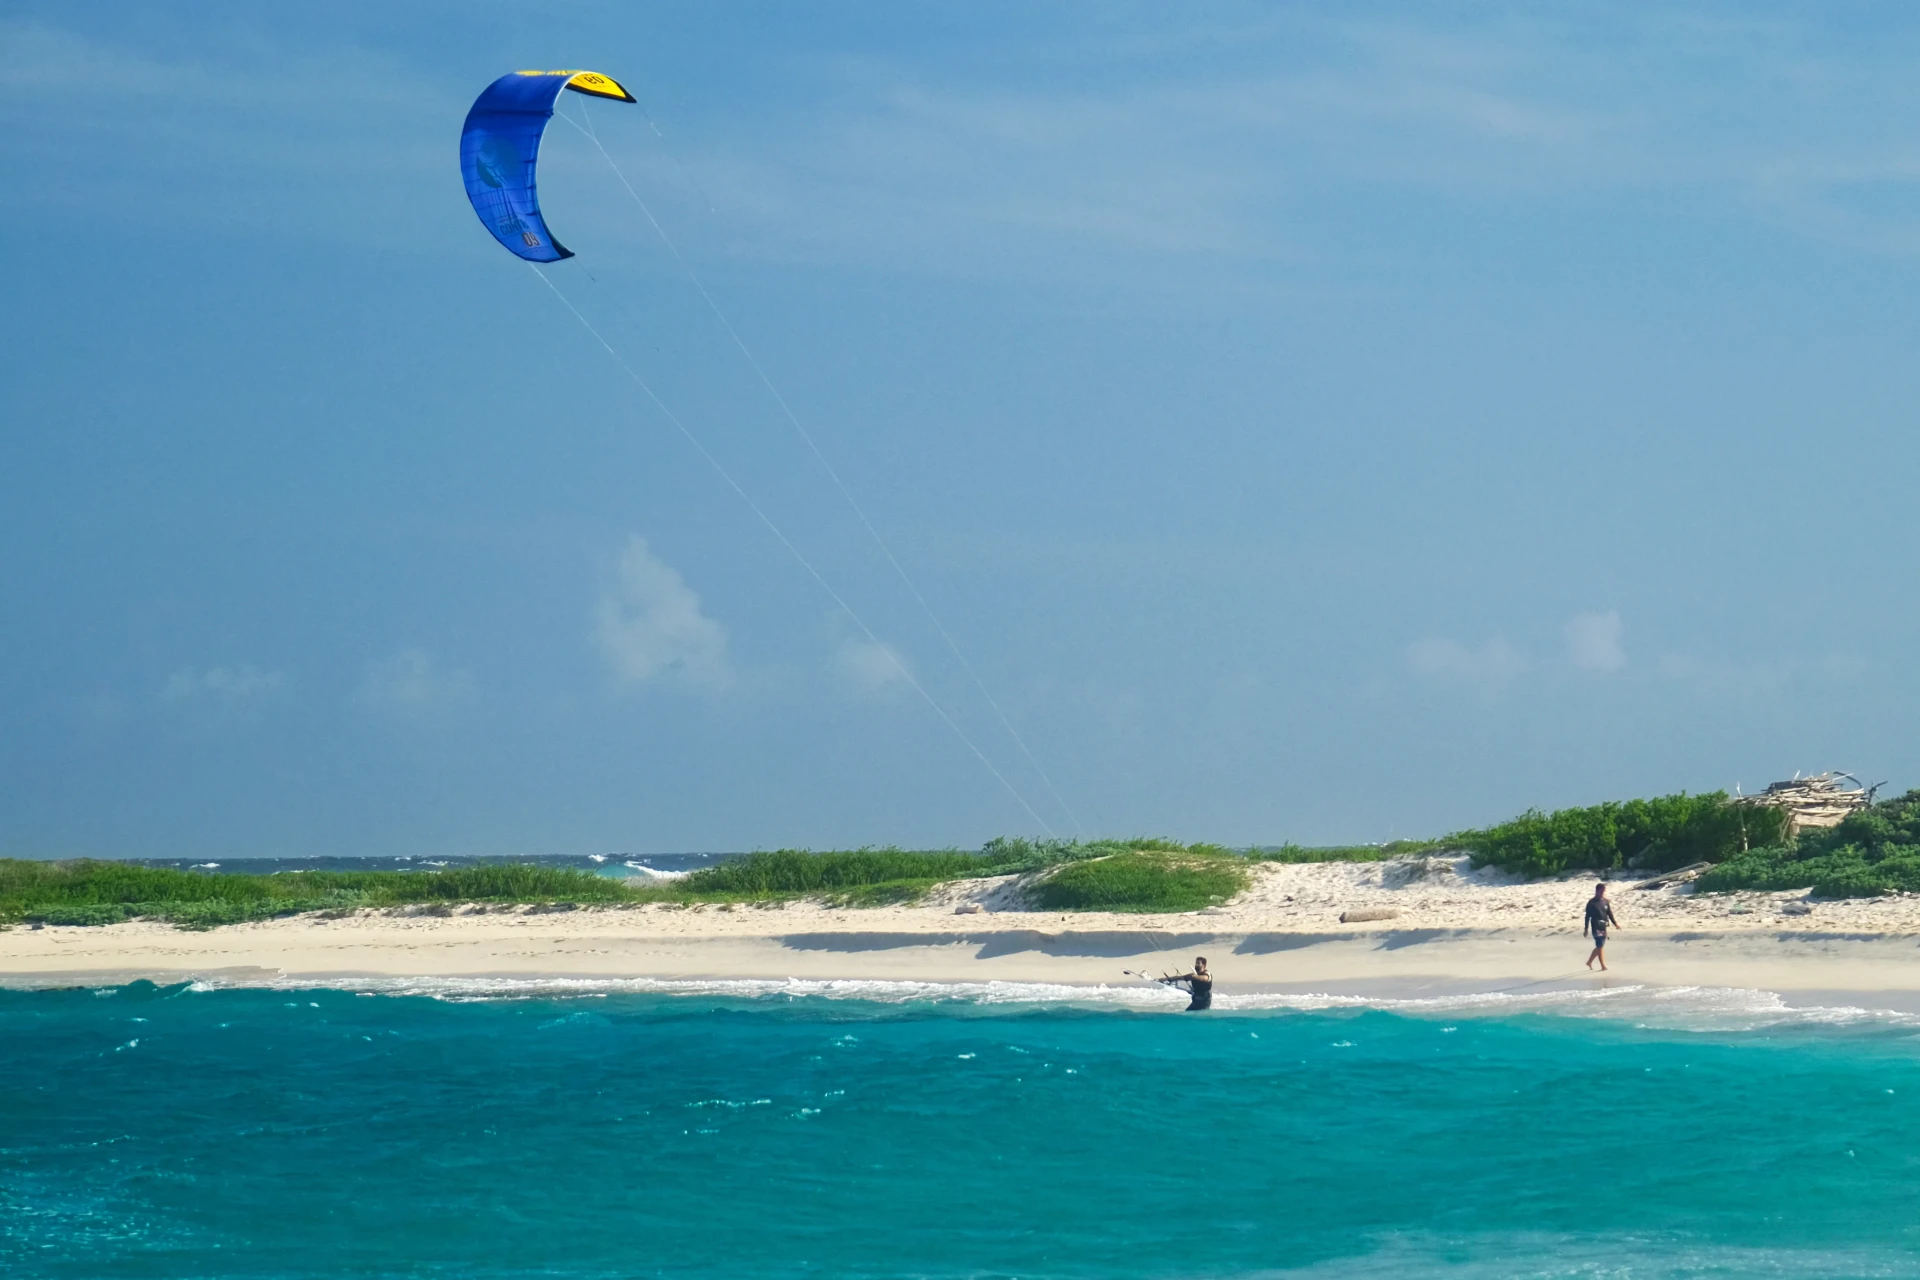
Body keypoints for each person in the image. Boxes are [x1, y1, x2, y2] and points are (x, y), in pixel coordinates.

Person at [1583, 882, 1620, 971]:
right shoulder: (1591, 903)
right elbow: (1587, 916)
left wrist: (1615, 924)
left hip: (1603, 926)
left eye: (1603, 891)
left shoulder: (1605, 901)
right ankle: (1603, 966)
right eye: (1601, 891)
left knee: (1600, 946)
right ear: (1596, 891)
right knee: (1600, 945)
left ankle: (1589, 962)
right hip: (1595, 926)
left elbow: (1609, 913)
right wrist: (1586, 929)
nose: (1602, 893)